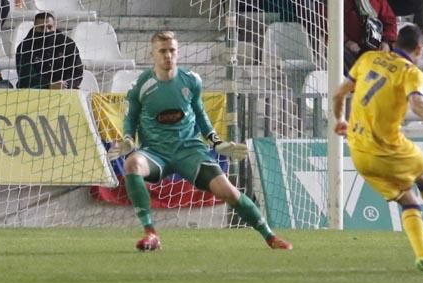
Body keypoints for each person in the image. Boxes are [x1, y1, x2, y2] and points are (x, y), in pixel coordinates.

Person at [107, 30, 292, 252]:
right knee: (132, 164)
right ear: (152, 54)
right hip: (155, 153)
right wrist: (128, 139)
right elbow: (131, 118)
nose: (168, 56)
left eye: (172, 51)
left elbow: (201, 115)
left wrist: (217, 143)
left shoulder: (191, 81)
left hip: (189, 151)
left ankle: (270, 237)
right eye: (162, 51)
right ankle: (151, 233)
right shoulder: (141, 85)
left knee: (229, 192)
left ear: (178, 53)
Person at [331, 23, 423, 273]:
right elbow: (417, 105)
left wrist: (341, 120)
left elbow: (339, 95)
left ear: (396, 43)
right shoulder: (411, 72)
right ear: (419, 49)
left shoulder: (369, 58)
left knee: (408, 199)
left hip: (359, 154)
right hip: (389, 150)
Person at [343, 0, 397, 71]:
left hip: (376, 47)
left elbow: (390, 22)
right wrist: (346, 42)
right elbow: (327, 23)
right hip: (350, 49)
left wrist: (386, 43)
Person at [15, 11, 84, 89]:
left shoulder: (67, 44)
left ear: (55, 26)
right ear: (35, 27)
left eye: (49, 27)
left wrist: (66, 84)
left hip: (63, 90)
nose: (46, 31)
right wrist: (48, 85)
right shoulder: (25, 46)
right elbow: (25, 76)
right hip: (34, 91)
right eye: (41, 27)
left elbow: (77, 72)